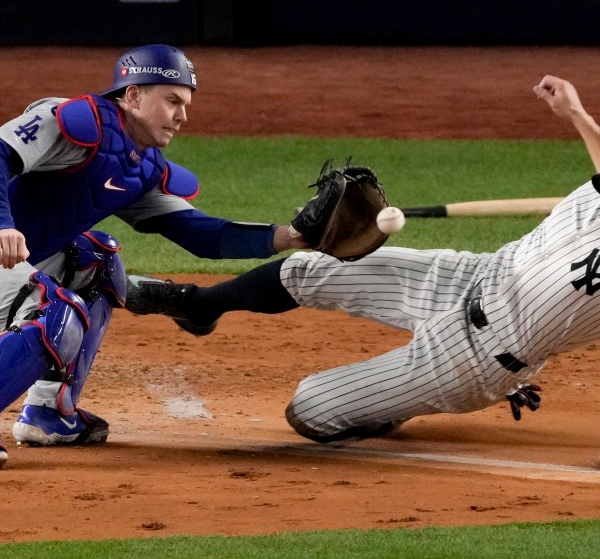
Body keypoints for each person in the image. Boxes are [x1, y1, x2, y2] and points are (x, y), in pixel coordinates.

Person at [126, 74, 600, 443]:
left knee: (311, 409)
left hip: (477, 357)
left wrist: (511, 370)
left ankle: (396, 403)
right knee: (309, 267)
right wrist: (576, 113)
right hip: (477, 273)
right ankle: (200, 305)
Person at [0, 43, 305, 464]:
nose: (183, 116)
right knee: (58, 313)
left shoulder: (138, 168)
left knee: (99, 263)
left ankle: (51, 413)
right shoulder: (71, 121)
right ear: (134, 95)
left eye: (186, 104)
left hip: (15, 260)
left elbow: (202, 234)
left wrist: (289, 236)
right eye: (173, 101)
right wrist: (3, 223)